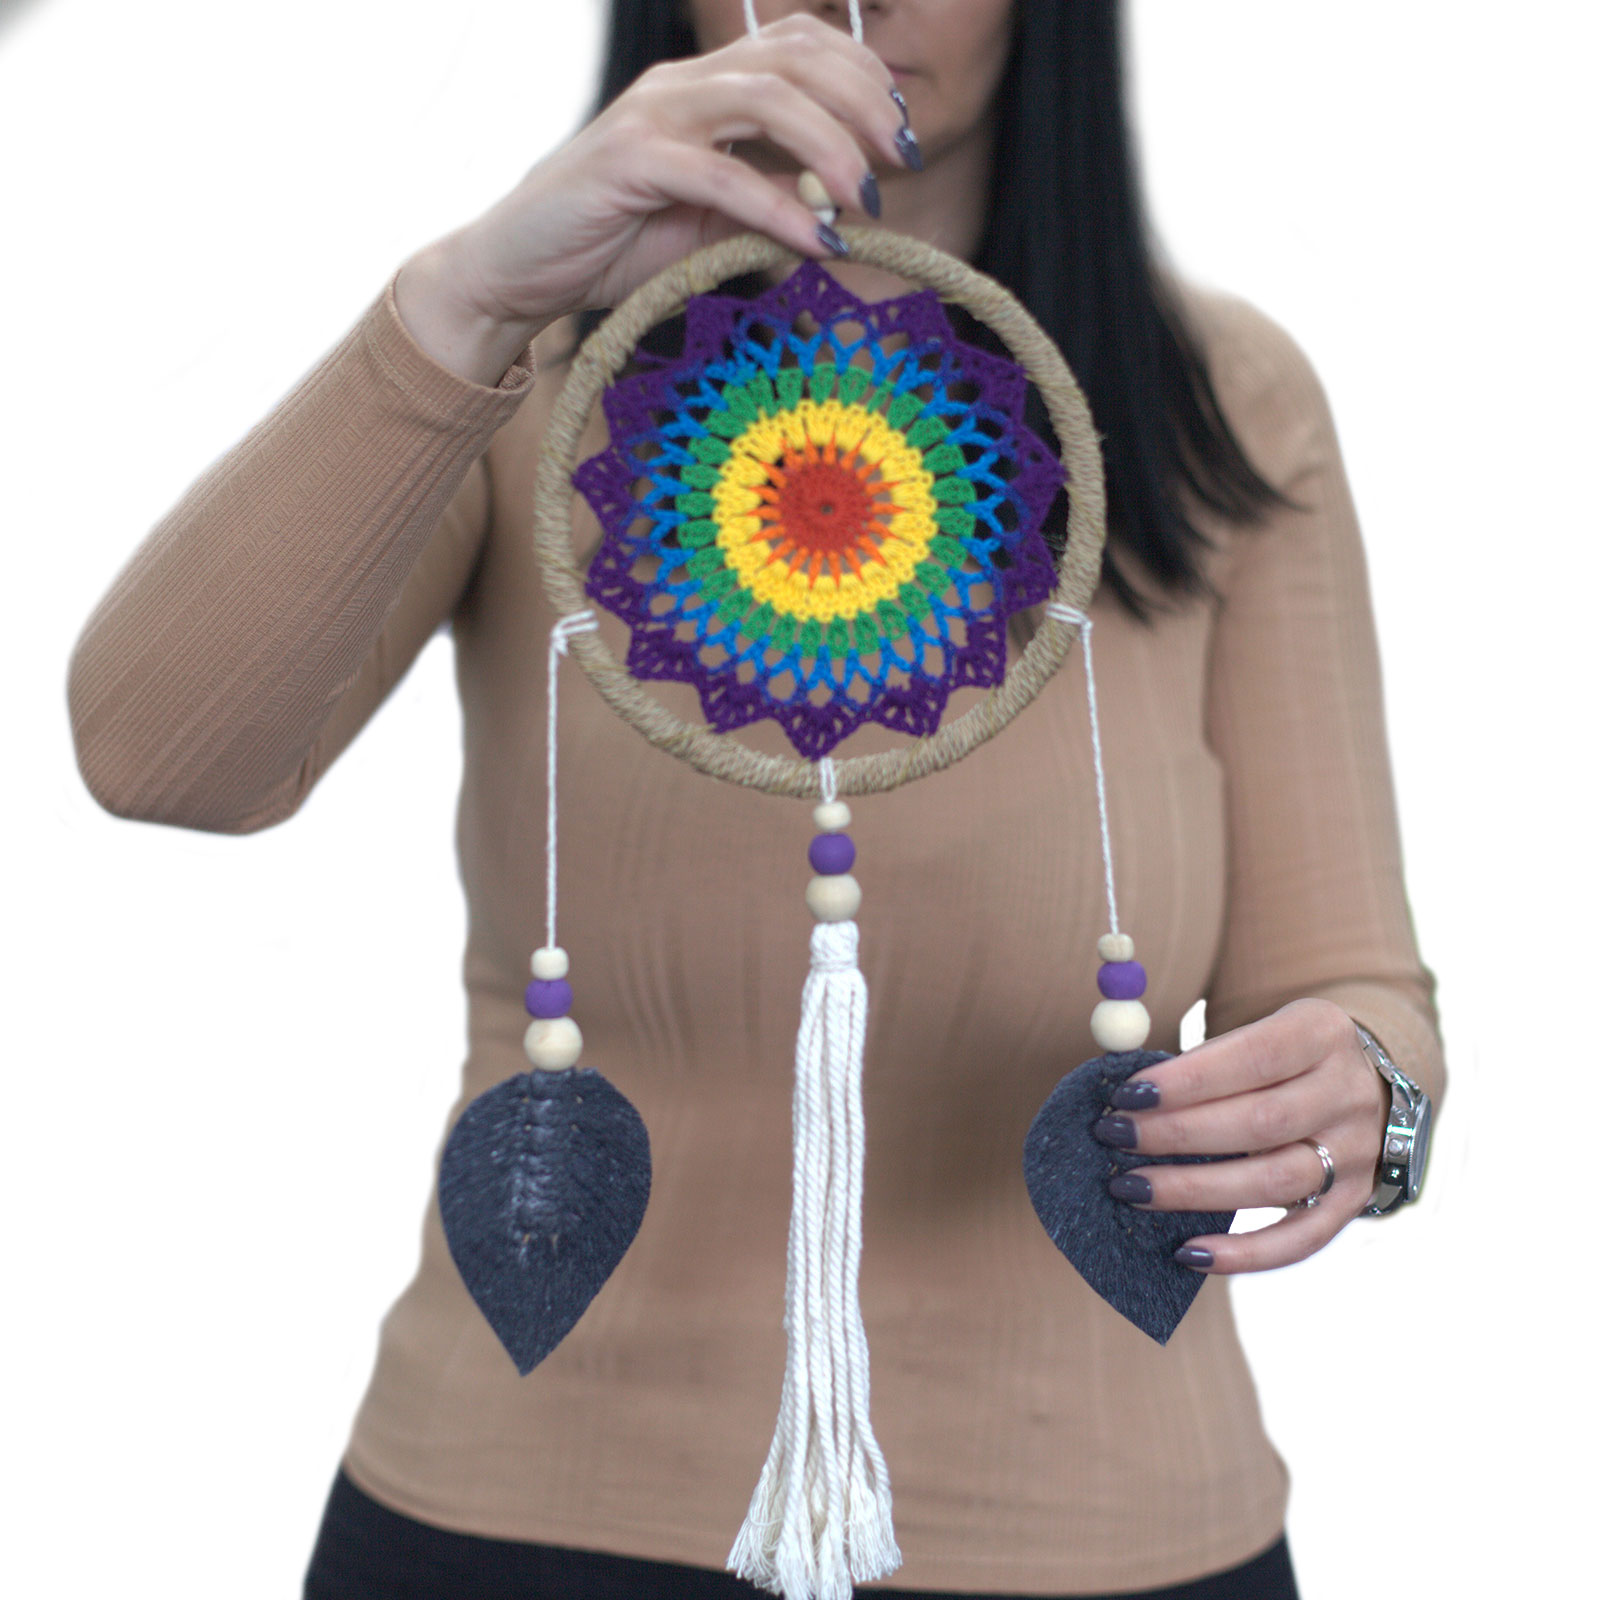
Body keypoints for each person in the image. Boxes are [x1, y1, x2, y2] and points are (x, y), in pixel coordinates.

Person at [65, 2, 1445, 1596]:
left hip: (1112, 1530)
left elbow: (1355, 988)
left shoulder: (1225, 397)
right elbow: (157, 754)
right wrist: (463, 301)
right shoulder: (529, 375)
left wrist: (1368, 1100)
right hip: (515, 1522)